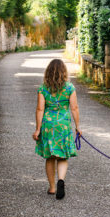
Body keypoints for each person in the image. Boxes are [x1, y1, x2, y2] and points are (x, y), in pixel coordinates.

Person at [32, 59, 82, 199]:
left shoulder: (43, 88)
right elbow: (74, 108)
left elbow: (40, 109)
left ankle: (53, 188)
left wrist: (37, 129)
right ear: (64, 72)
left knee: (50, 157)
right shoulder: (70, 88)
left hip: (48, 125)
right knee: (62, 156)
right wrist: (78, 126)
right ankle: (61, 179)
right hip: (63, 125)